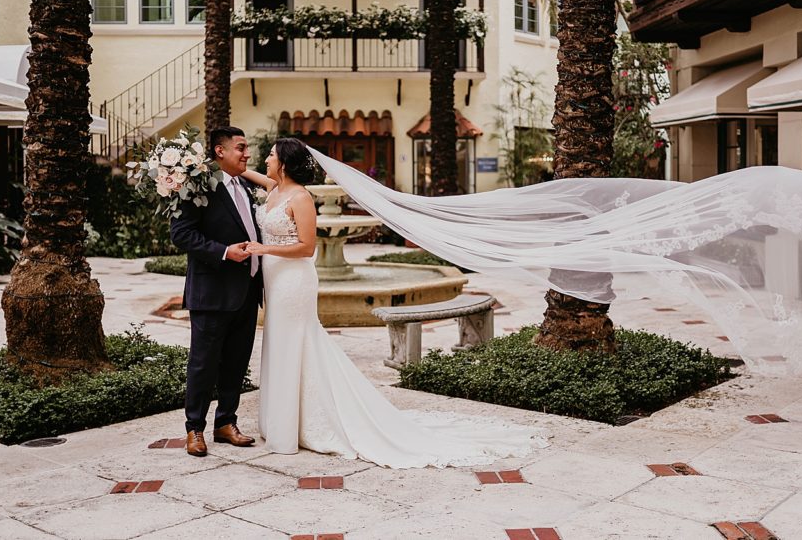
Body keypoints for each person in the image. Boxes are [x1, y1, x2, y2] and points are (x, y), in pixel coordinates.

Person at [242, 138, 546, 468]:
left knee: (295, 343)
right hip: (274, 280)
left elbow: (306, 247)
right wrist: (224, 166)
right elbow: (251, 175)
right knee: (279, 343)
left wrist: (264, 250)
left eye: (271, 155)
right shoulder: (275, 188)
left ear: (284, 163)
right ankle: (284, 420)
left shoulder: (301, 197)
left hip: (293, 281)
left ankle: (298, 425)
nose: (266, 159)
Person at [169, 126, 263, 457]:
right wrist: (225, 252)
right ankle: (194, 429)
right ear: (220, 151)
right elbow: (181, 234)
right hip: (212, 291)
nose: (247, 153)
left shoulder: (247, 186)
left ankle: (226, 423)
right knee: (203, 364)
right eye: (241, 148)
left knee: (237, 362)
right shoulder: (196, 185)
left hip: (248, 290)